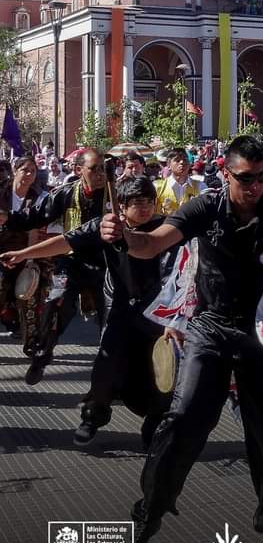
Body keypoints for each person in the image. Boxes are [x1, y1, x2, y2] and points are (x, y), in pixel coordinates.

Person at [99, 136, 263, 543]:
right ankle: (148, 514)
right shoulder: (205, 208)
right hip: (209, 328)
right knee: (181, 424)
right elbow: (152, 243)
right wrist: (123, 237)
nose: (254, 186)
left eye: (261, 178)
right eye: (244, 178)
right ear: (225, 173)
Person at [0, 176, 193, 447]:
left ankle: (155, 423)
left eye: (149, 201)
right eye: (138, 202)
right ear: (122, 206)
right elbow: (65, 243)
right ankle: (93, 417)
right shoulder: (106, 227)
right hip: (118, 310)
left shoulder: (165, 229)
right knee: (106, 366)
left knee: (161, 373)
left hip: (155, 314)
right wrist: (23, 254)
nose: (146, 207)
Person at [4, 148, 109, 383]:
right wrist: (8, 218)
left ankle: (107, 376)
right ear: (79, 170)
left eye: (103, 168)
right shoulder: (65, 193)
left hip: (106, 265)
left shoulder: (114, 193)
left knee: (110, 320)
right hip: (70, 261)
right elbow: (37, 216)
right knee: (54, 305)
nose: (101, 174)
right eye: (94, 169)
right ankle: (42, 355)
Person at [0, 157, 52, 379]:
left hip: (26, 252)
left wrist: (28, 259)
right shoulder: (1, 193)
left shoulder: (40, 197)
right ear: (15, 170)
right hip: (0, 252)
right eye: (25, 170)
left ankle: (32, 344)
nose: (29, 174)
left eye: (33, 170)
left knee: (30, 296)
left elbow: (34, 230)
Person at [154, 148, 206, 214]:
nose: (182, 163)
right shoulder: (157, 187)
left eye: (185, 160)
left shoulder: (200, 186)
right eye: (177, 160)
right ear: (169, 165)